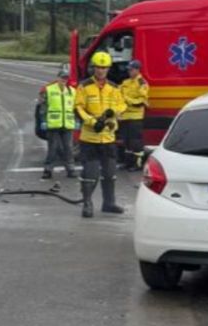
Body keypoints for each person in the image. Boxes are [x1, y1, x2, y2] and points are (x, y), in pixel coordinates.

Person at [74, 51, 126, 218]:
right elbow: (78, 107)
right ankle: (87, 204)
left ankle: (109, 203)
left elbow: (122, 106)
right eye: (98, 67)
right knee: (90, 173)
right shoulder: (84, 86)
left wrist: (114, 112)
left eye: (104, 68)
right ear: (93, 68)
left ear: (108, 69)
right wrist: (91, 121)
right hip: (90, 138)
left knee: (110, 173)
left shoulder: (114, 88)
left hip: (108, 138)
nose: (101, 70)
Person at [39, 64, 77, 180]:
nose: (64, 80)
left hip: (67, 124)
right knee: (53, 149)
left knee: (69, 149)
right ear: (58, 78)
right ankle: (48, 170)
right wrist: (43, 120)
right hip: (53, 124)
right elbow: (43, 107)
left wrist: (76, 121)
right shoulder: (49, 90)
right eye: (62, 78)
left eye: (66, 78)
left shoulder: (72, 91)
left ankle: (70, 170)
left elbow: (75, 108)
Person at [119, 59, 149, 170]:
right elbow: (118, 93)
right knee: (126, 142)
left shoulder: (142, 83)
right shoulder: (125, 82)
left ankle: (137, 164)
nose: (129, 72)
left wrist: (127, 100)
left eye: (131, 70)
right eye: (128, 70)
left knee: (135, 142)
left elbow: (142, 101)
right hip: (125, 116)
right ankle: (128, 163)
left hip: (136, 117)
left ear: (137, 70)